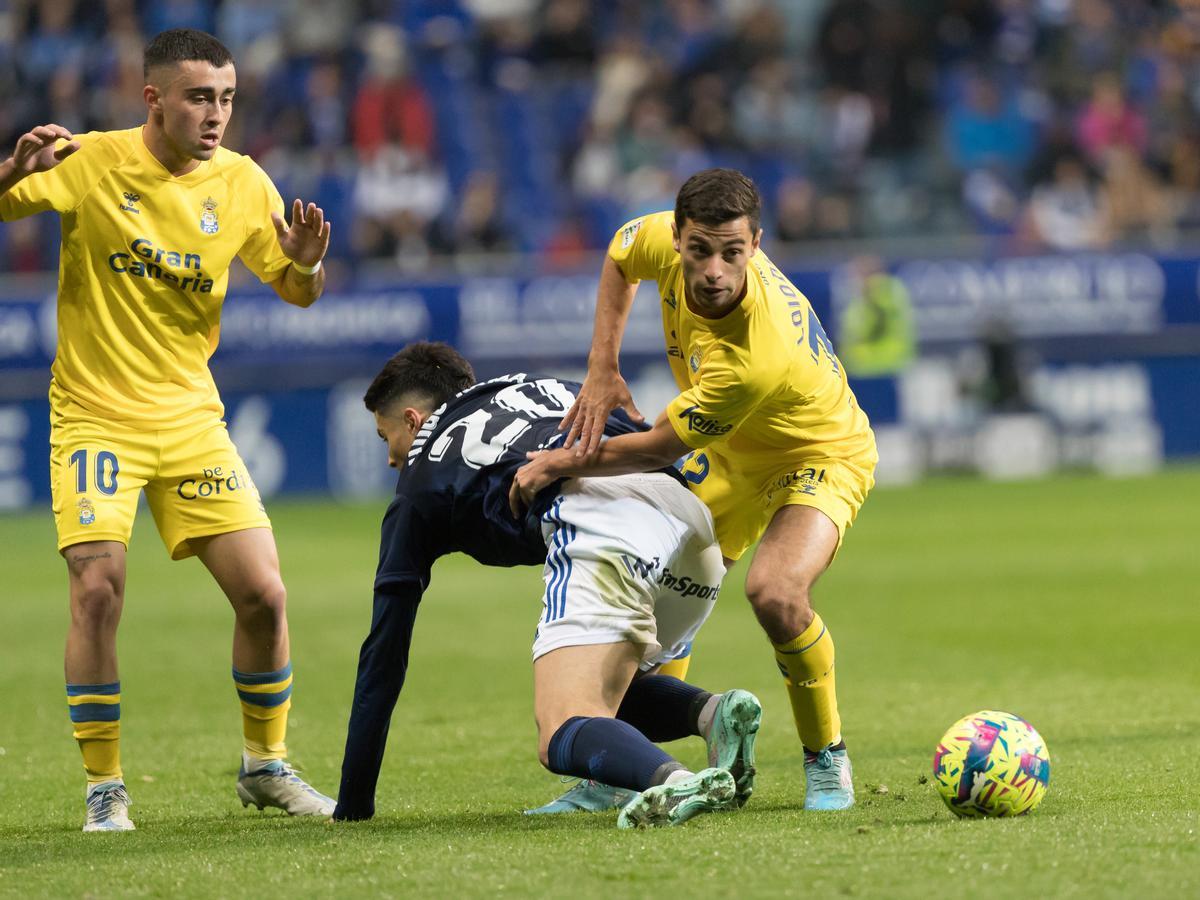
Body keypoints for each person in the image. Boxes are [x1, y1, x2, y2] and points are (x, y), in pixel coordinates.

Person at [0, 29, 335, 831]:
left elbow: (297, 291)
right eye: (199, 98)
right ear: (153, 98)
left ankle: (266, 765)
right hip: (95, 415)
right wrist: (11, 172)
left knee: (264, 595)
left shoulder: (243, 181)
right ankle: (105, 787)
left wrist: (307, 263)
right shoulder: (88, 160)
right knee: (97, 590)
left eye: (226, 98)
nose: (216, 114)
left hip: (190, 419)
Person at [511, 168, 877, 811]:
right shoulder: (657, 238)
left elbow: (657, 449)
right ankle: (618, 771)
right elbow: (619, 259)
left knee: (775, 592)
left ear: (755, 245)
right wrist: (602, 366)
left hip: (819, 452)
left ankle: (827, 757)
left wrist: (558, 463)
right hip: (732, 453)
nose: (713, 270)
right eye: (700, 250)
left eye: (732, 253)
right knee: (649, 584)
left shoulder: (755, 354)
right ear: (677, 237)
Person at [332, 342, 763, 829]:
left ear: (413, 421)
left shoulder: (420, 479)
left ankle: (675, 781)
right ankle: (713, 714)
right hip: (691, 522)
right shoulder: (541, 386)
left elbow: (383, 656)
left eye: (385, 437)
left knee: (561, 728)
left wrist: (353, 805)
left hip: (605, 523)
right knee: (608, 690)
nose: (392, 459)